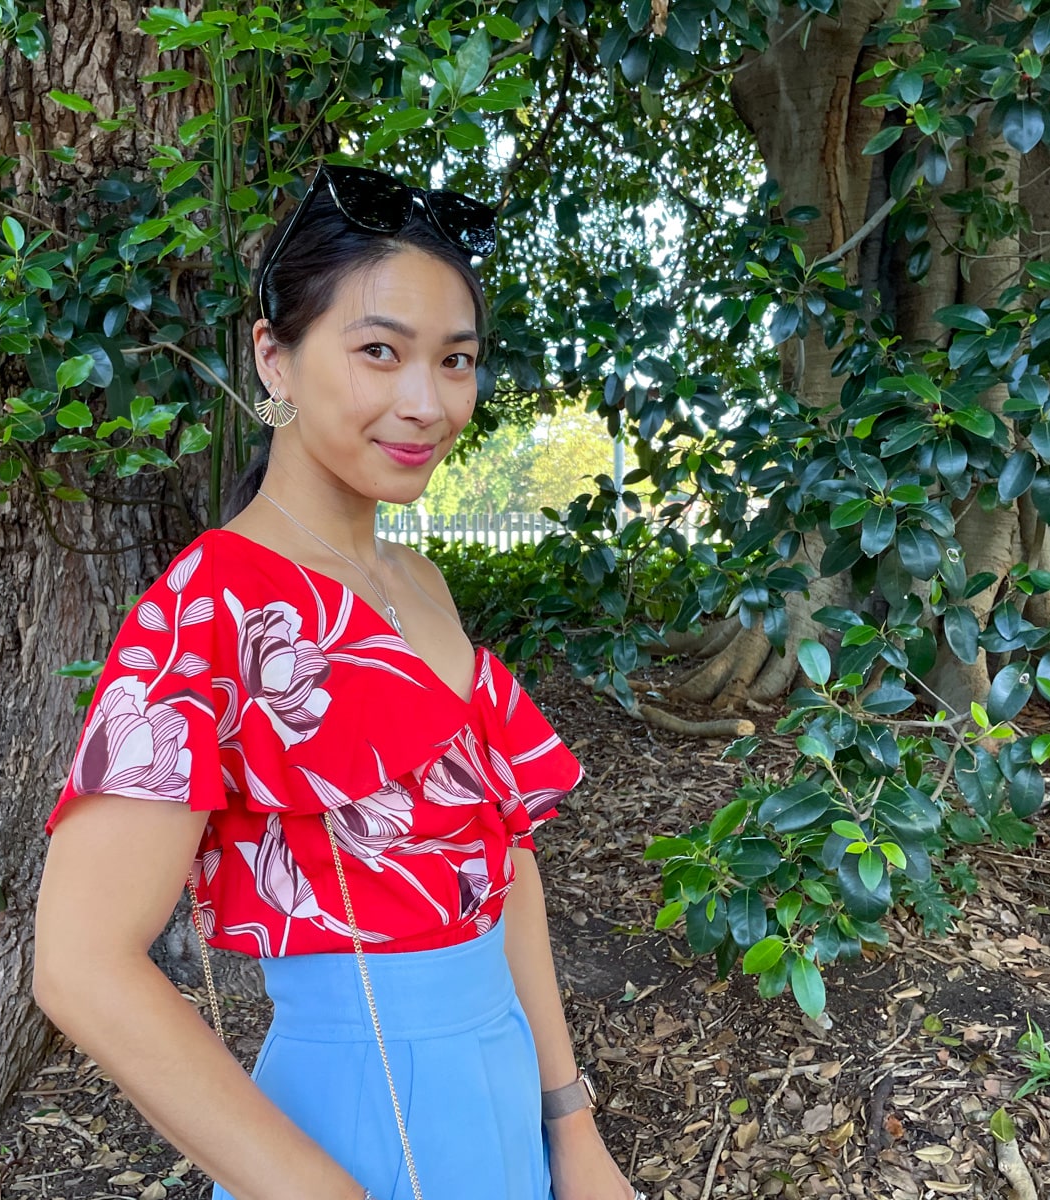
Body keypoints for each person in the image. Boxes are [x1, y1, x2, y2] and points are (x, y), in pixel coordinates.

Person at [32, 163, 642, 1200]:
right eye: (378, 352)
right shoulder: (210, 605)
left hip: (498, 1092)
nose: (427, 401)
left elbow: (505, 868)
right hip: (357, 1123)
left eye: (456, 361)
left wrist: (571, 1126)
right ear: (273, 356)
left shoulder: (419, 581)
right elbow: (82, 966)